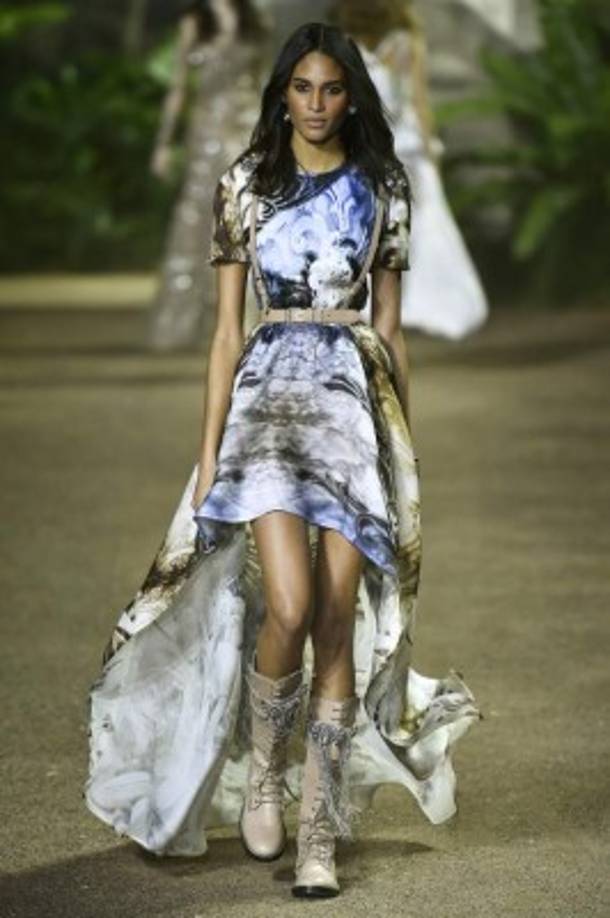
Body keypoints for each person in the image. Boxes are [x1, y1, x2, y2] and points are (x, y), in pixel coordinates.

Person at [85, 21, 482, 900]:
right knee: (291, 606)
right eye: (301, 88)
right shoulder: (246, 183)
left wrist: (403, 451)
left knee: (336, 616)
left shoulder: (383, 184)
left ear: (352, 96)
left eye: (332, 89)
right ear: (282, 93)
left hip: (353, 410)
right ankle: (265, 772)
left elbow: (391, 330)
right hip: (266, 406)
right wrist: (208, 451)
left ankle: (319, 831)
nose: (316, 104)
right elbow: (226, 335)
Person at [332, 0, 489, 340]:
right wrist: (431, 145)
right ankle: (423, 302)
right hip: (405, 144)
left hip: (367, 144)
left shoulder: (344, 44)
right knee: (422, 223)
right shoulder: (405, 42)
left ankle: (373, 303)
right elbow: (418, 99)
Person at [147, 0, 266, 350]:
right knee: (198, 219)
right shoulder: (194, 22)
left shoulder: (254, 21)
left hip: (246, 130)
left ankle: (244, 320)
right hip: (207, 132)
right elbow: (179, 88)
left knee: (245, 219)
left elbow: (263, 83)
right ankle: (190, 321)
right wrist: (164, 143)